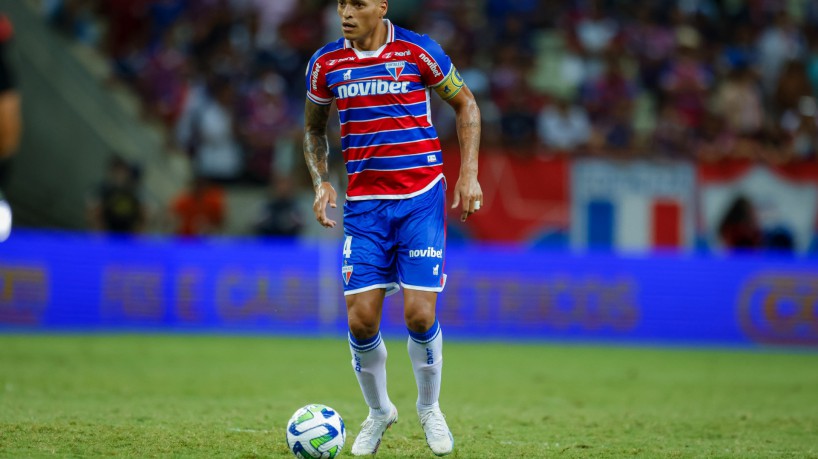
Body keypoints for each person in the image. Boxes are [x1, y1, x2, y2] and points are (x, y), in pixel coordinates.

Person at [303, 0, 482, 456]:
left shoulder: (419, 51)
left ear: (380, 6)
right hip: (364, 208)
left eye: (357, 3)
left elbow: (466, 104)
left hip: (420, 198)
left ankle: (428, 407)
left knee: (419, 315)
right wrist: (321, 181)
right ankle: (380, 411)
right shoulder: (325, 63)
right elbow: (313, 129)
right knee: (361, 321)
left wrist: (468, 174)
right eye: (341, 3)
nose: (346, 11)